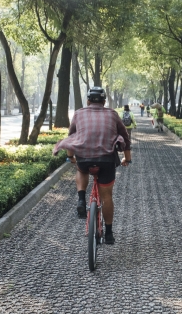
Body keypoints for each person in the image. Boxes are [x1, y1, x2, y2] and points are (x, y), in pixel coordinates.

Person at [53, 86, 132, 245]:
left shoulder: (78, 113)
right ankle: (109, 234)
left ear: (88, 100)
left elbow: (72, 137)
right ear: (104, 101)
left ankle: (81, 200)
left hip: (84, 158)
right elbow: (125, 138)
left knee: (81, 169)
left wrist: (71, 158)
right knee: (107, 196)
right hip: (107, 160)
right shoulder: (113, 114)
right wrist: (127, 159)